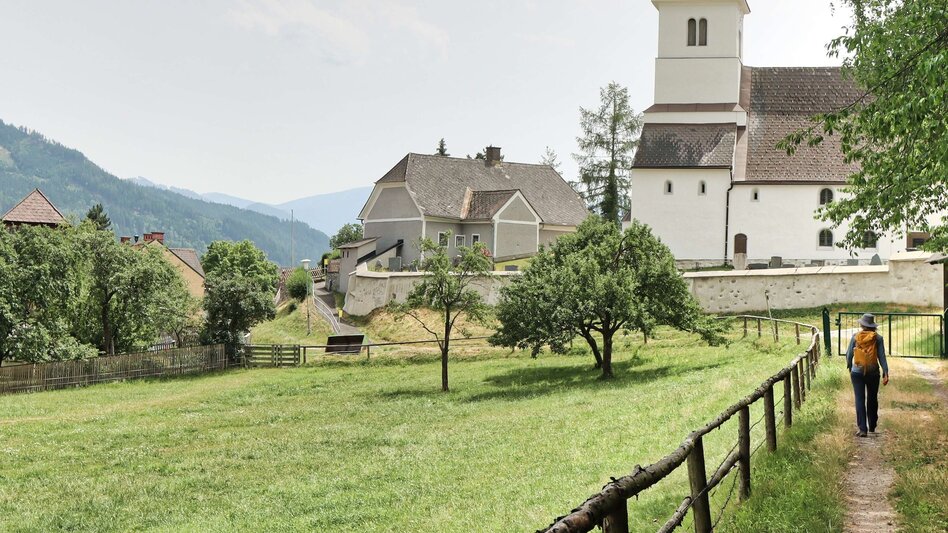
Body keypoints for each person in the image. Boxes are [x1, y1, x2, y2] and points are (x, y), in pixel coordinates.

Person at [846, 313, 889, 437]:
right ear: (873, 325)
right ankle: (872, 425)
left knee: (859, 399)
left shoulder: (855, 337)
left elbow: (849, 354)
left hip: (857, 372)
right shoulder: (878, 338)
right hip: (873, 372)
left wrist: (850, 366)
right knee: (872, 398)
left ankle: (862, 429)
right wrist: (886, 371)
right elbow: (881, 356)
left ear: (862, 324)